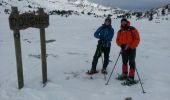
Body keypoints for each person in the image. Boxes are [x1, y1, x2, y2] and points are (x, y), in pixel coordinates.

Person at [116, 18, 140, 83]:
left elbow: (137, 39)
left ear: (127, 22)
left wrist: (131, 46)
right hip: (124, 49)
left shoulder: (132, 29)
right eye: (122, 22)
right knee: (124, 62)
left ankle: (131, 77)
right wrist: (121, 45)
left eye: (124, 22)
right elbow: (117, 40)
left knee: (132, 62)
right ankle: (124, 74)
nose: (123, 23)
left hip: (131, 49)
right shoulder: (120, 31)